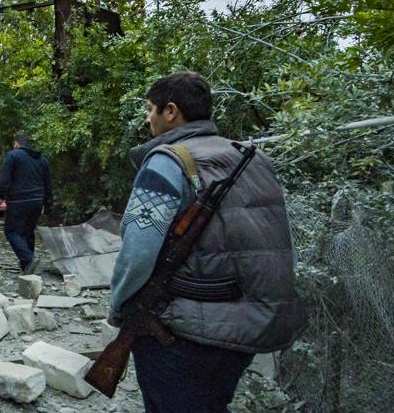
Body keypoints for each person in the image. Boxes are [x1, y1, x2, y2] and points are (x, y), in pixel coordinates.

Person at [109, 72, 305, 413]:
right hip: (245, 326)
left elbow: (139, 249)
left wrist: (120, 305)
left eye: (150, 108)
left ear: (171, 111)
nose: (147, 118)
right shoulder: (251, 158)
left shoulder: (167, 161)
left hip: (178, 329)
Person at [0, 131, 52, 274]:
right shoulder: (41, 159)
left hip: (19, 200)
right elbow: (48, 184)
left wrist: (1, 197)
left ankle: (28, 259)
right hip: (37, 201)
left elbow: (4, 180)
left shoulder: (13, 156)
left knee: (12, 232)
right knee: (28, 232)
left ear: (16, 143)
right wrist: (45, 203)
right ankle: (27, 268)